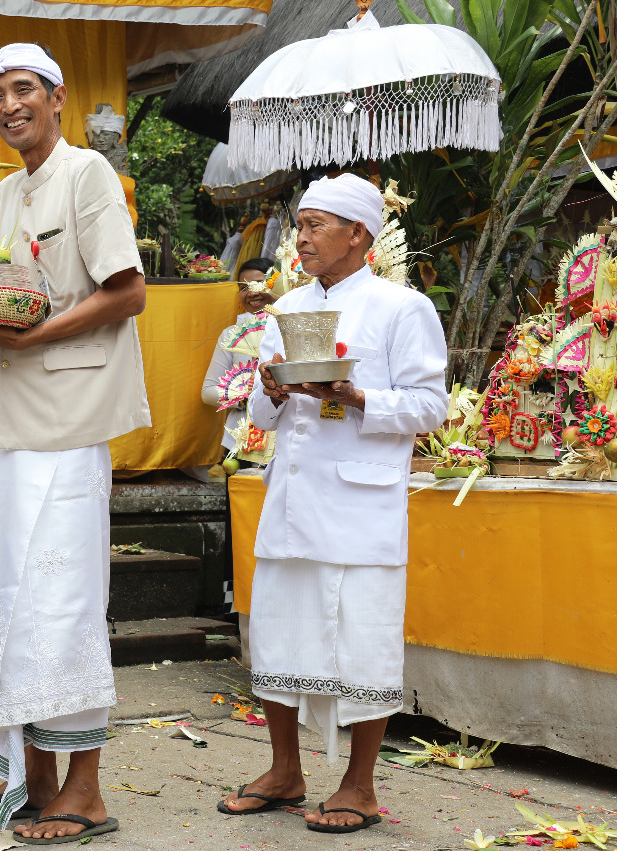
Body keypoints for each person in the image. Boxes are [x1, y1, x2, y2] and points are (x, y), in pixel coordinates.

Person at [0, 37, 150, 845]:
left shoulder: (88, 173)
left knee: (62, 599)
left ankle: (86, 789)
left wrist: (30, 339)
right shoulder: (0, 195)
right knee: (7, 595)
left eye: (23, 89)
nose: (9, 106)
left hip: (66, 418)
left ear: (58, 97)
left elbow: (126, 291)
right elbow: (3, 295)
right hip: (6, 423)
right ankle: (30, 778)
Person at [220, 173, 446, 833]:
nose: (303, 235)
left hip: (360, 505)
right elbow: (261, 409)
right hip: (292, 497)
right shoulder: (286, 308)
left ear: (358, 234)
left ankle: (360, 784)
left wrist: (354, 396)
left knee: (361, 641)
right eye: (301, 222)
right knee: (278, 635)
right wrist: (274, 387)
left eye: (317, 224)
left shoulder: (402, 308)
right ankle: (285, 769)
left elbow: (429, 404)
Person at [201, 257, 275, 454]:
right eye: (243, 287)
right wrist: (244, 396)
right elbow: (208, 392)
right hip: (240, 441)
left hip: (284, 437)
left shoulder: (292, 327)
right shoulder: (232, 334)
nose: (251, 292)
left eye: (259, 283)